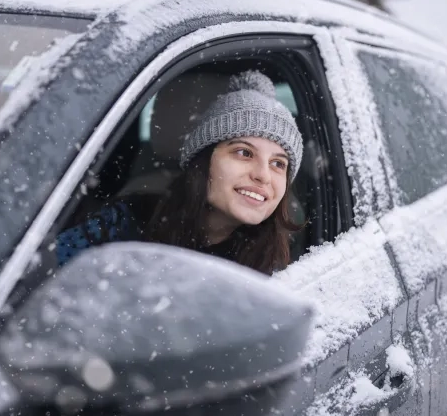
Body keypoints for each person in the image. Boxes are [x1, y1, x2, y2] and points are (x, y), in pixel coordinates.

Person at [53, 70, 305, 275]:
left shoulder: (279, 268)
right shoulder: (126, 222)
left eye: (278, 164)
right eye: (244, 153)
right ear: (203, 161)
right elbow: (43, 273)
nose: (263, 175)